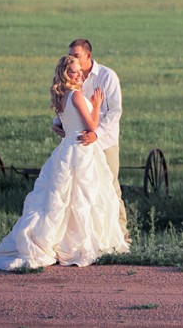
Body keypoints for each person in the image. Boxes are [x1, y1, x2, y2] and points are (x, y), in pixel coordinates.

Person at [0, 55, 129, 270]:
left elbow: (63, 123)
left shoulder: (61, 96)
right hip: (81, 150)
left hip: (67, 148)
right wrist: (96, 105)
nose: (78, 75)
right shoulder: (76, 95)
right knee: (81, 198)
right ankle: (77, 244)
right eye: (73, 72)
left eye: (79, 71)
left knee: (68, 199)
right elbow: (92, 125)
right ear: (65, 74)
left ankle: (61, 241)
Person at [52, 39, 128, 241]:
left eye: (76, 55)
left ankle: (120, 234)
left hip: (104, 142)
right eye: (70, 54)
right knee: (79, 193)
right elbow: (70, 106)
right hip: (80, 145)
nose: (72, 58)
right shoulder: (72, 77)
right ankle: (83, 237)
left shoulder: (106, 76)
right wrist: (58, 122)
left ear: (88, 56)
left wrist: (97, 134)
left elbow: (114, 112)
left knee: (109, 187)